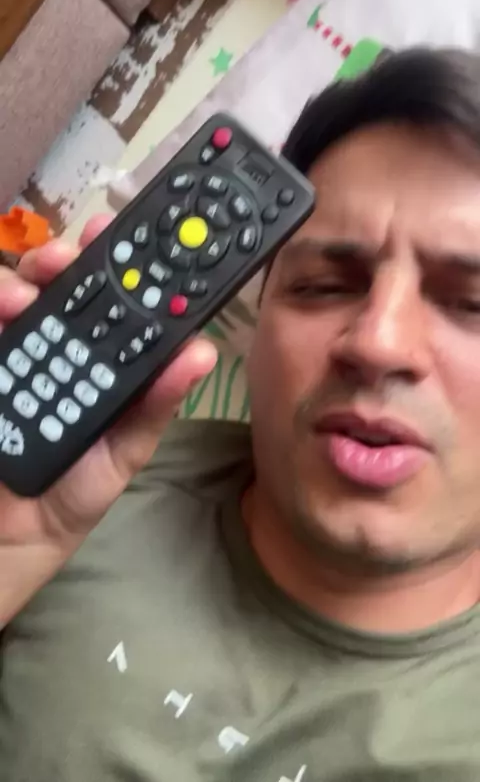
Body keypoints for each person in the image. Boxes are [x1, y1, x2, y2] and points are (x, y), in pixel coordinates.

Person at [2, 46, 480, 781]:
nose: (377, 342)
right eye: (323, 286)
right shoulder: (71, 488)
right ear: (255, 329)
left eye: (471, 303)